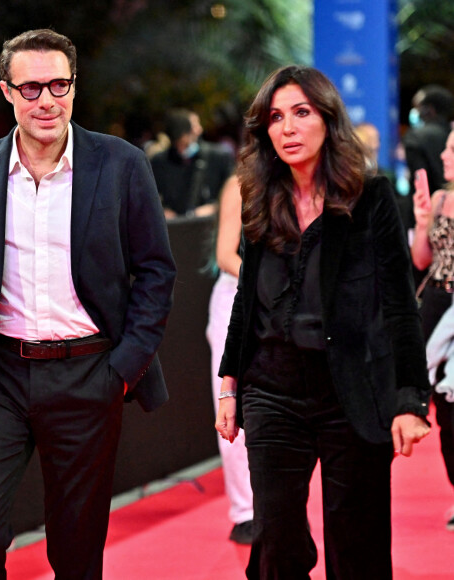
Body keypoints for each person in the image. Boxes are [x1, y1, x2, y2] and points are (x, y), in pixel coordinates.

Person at [0, 29, 176, 580]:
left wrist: (121, 369)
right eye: (32, 87)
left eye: (59, 84)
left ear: (74, 87)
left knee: (76, 545)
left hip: (88, 374)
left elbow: (157, 271)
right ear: (7, 92)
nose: (47, 100)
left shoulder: (121, 164)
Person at [214, 65, 431, 579]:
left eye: (301, 113)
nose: (287, 128)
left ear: (328, 120)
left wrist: (409, 400)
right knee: (276, 544)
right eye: (275, 117)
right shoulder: (259, 198)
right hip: (272, 390)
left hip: (352, 387)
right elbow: (247, 299)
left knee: (358, 547)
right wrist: (229, 386)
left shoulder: (371, 197)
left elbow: (399, 303)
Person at [205, 174, 254, 544]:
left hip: (283, 304)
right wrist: (271, 280)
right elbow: (225, 254)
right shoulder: (240, 183)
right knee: (230, 403)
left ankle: (273, 504)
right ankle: (245, 511)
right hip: (236, 300)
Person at [411, 128, 454, 531]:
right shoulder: (440, 200)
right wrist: (423, 223)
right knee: (445, 406)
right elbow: (421, 261)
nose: (443, 155)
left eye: (452, 149)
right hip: (438, 303)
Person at [150, 108, 234, 219]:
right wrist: (162, 211)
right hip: (176, 227)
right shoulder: (159, 161)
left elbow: (233, 192)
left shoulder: (218, 156)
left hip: (210, 223)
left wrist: (215, 207)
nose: (199, 130)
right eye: (194, 126)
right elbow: (151, 196)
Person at [402, 85, 454, 232]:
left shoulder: (415, 137)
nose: (444, 156)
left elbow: (419, 181)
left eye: (418, 107)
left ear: (429, 109)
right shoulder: (451, 133)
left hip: (425, 215)